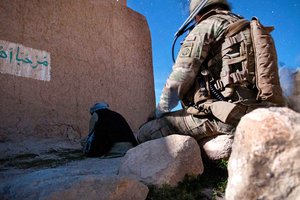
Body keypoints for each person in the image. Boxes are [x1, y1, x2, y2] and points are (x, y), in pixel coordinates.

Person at [136, 0, 284, 143]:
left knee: (146, 132)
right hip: (262, 111)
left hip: (229, 116)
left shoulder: (207, 25)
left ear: (197, 14)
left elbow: (180, 77)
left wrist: (159, 112)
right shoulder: (249, 28)